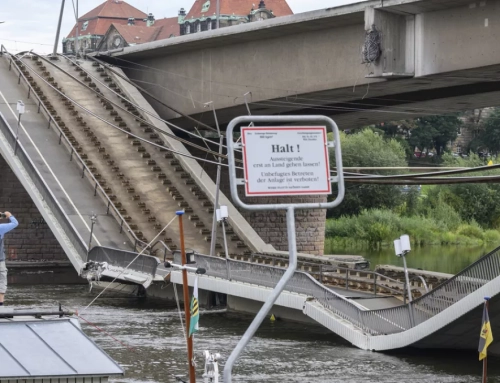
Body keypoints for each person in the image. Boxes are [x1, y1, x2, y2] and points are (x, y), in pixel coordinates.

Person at [0, 212, 18, 306]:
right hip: (0, 260)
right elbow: (15, 223)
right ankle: (0, 303)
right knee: (2, 279)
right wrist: (9, 215)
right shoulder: (1, 228)